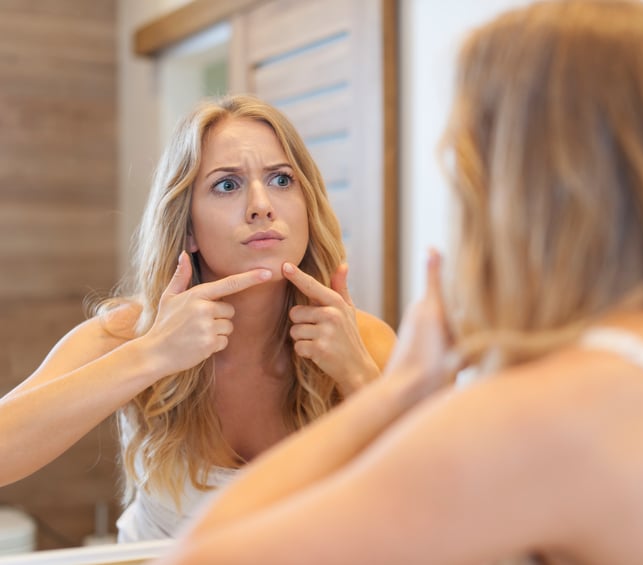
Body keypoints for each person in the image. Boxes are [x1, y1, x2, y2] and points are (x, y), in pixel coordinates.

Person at [154, 1, 643, 563]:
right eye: (227, 185)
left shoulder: (553, 411)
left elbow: (205, 554)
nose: (260, 204)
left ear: (517, 188)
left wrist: (395, 385)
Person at [0, 94, 396, 541]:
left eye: (282, 179)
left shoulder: (362, 342)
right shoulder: (129, 333)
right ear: (187, 228)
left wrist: (361, 380)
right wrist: (152, 354)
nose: (261, 205)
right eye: (227, 185)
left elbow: (437, 512)